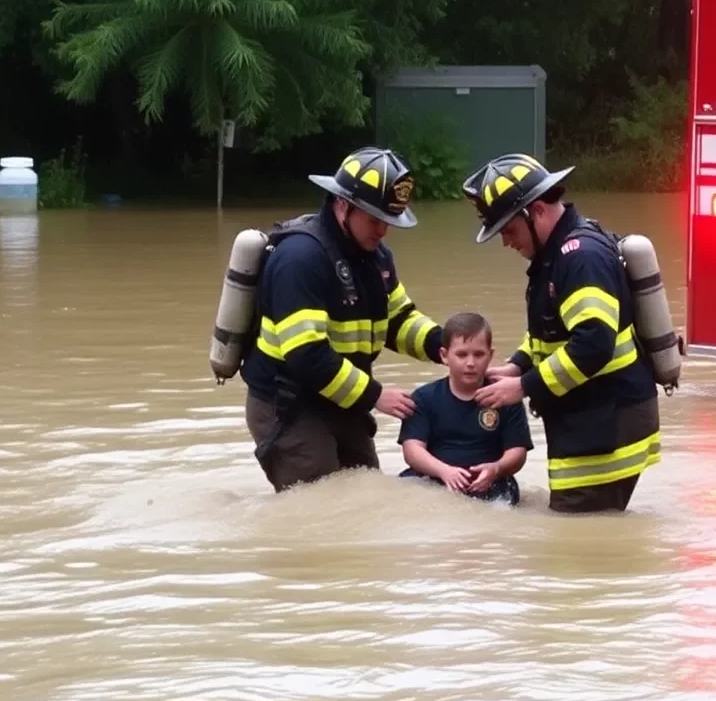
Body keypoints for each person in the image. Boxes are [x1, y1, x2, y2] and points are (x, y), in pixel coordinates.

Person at [461, 153, 660, 513]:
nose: (506, 242)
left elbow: (593, 344)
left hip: (607, 427)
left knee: (584, 551)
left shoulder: (579, 257)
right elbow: (551, 331)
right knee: (581, 539)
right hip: (595, 422)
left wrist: (522, 387)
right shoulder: (556, 257)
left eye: (509, 229)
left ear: (535, 211)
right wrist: (517, 366)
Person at [241, 146, 444, 492]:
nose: (383, 231)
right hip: (290, 406)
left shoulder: (375, 257)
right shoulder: (300, 259)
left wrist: (448, 347)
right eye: (375, 219)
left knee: (364, 495)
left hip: (343, 400)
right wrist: (376, 395)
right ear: (342, 205)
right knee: (322, 506)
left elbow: (398, 320)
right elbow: (307, 355)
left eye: (389, 221)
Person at [397, 311, 533, 505]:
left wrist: (496, 469)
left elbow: (517, 452)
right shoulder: (423, 398)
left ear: (490, 356)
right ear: (444, 356)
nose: (470, 363)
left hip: (492, 486)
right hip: (433, 482)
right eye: (461, 354)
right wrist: (444, 471)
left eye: (479, 354)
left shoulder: (506, 397)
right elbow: (412, 450)